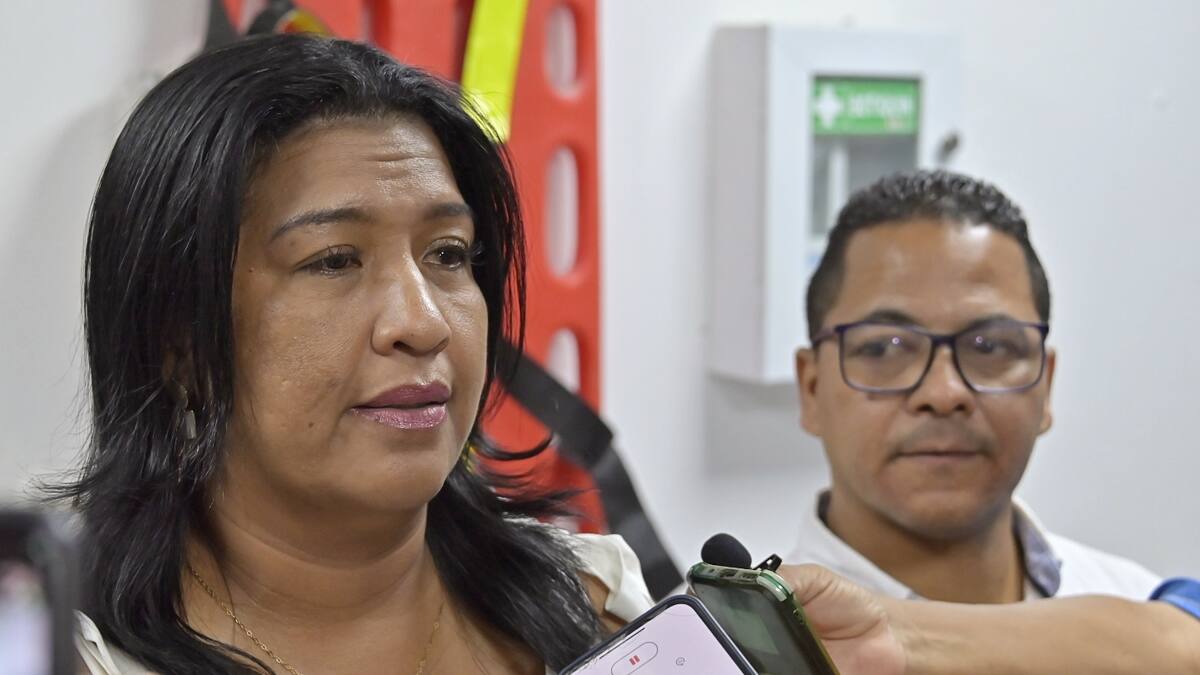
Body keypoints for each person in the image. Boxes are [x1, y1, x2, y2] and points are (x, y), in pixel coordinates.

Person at [53, 34, 652, 675]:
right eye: (335, 261)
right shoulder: (72, 655)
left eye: (448, 253)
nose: (422, 323)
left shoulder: (600, 612)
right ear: (181, 338)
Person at [789, 171, 1159, 602]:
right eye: (885, 348)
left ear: (1047, 384)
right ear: (811, 388)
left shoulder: (1146, 609)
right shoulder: (734, 641)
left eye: (990, 346)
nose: (944, 393)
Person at [774, 564, 1200, 674]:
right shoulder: (791, 629)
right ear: (810, 389)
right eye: (884, 373)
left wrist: (897, 636)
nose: (945, 395)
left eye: (988, 373)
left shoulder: (1135, 584)